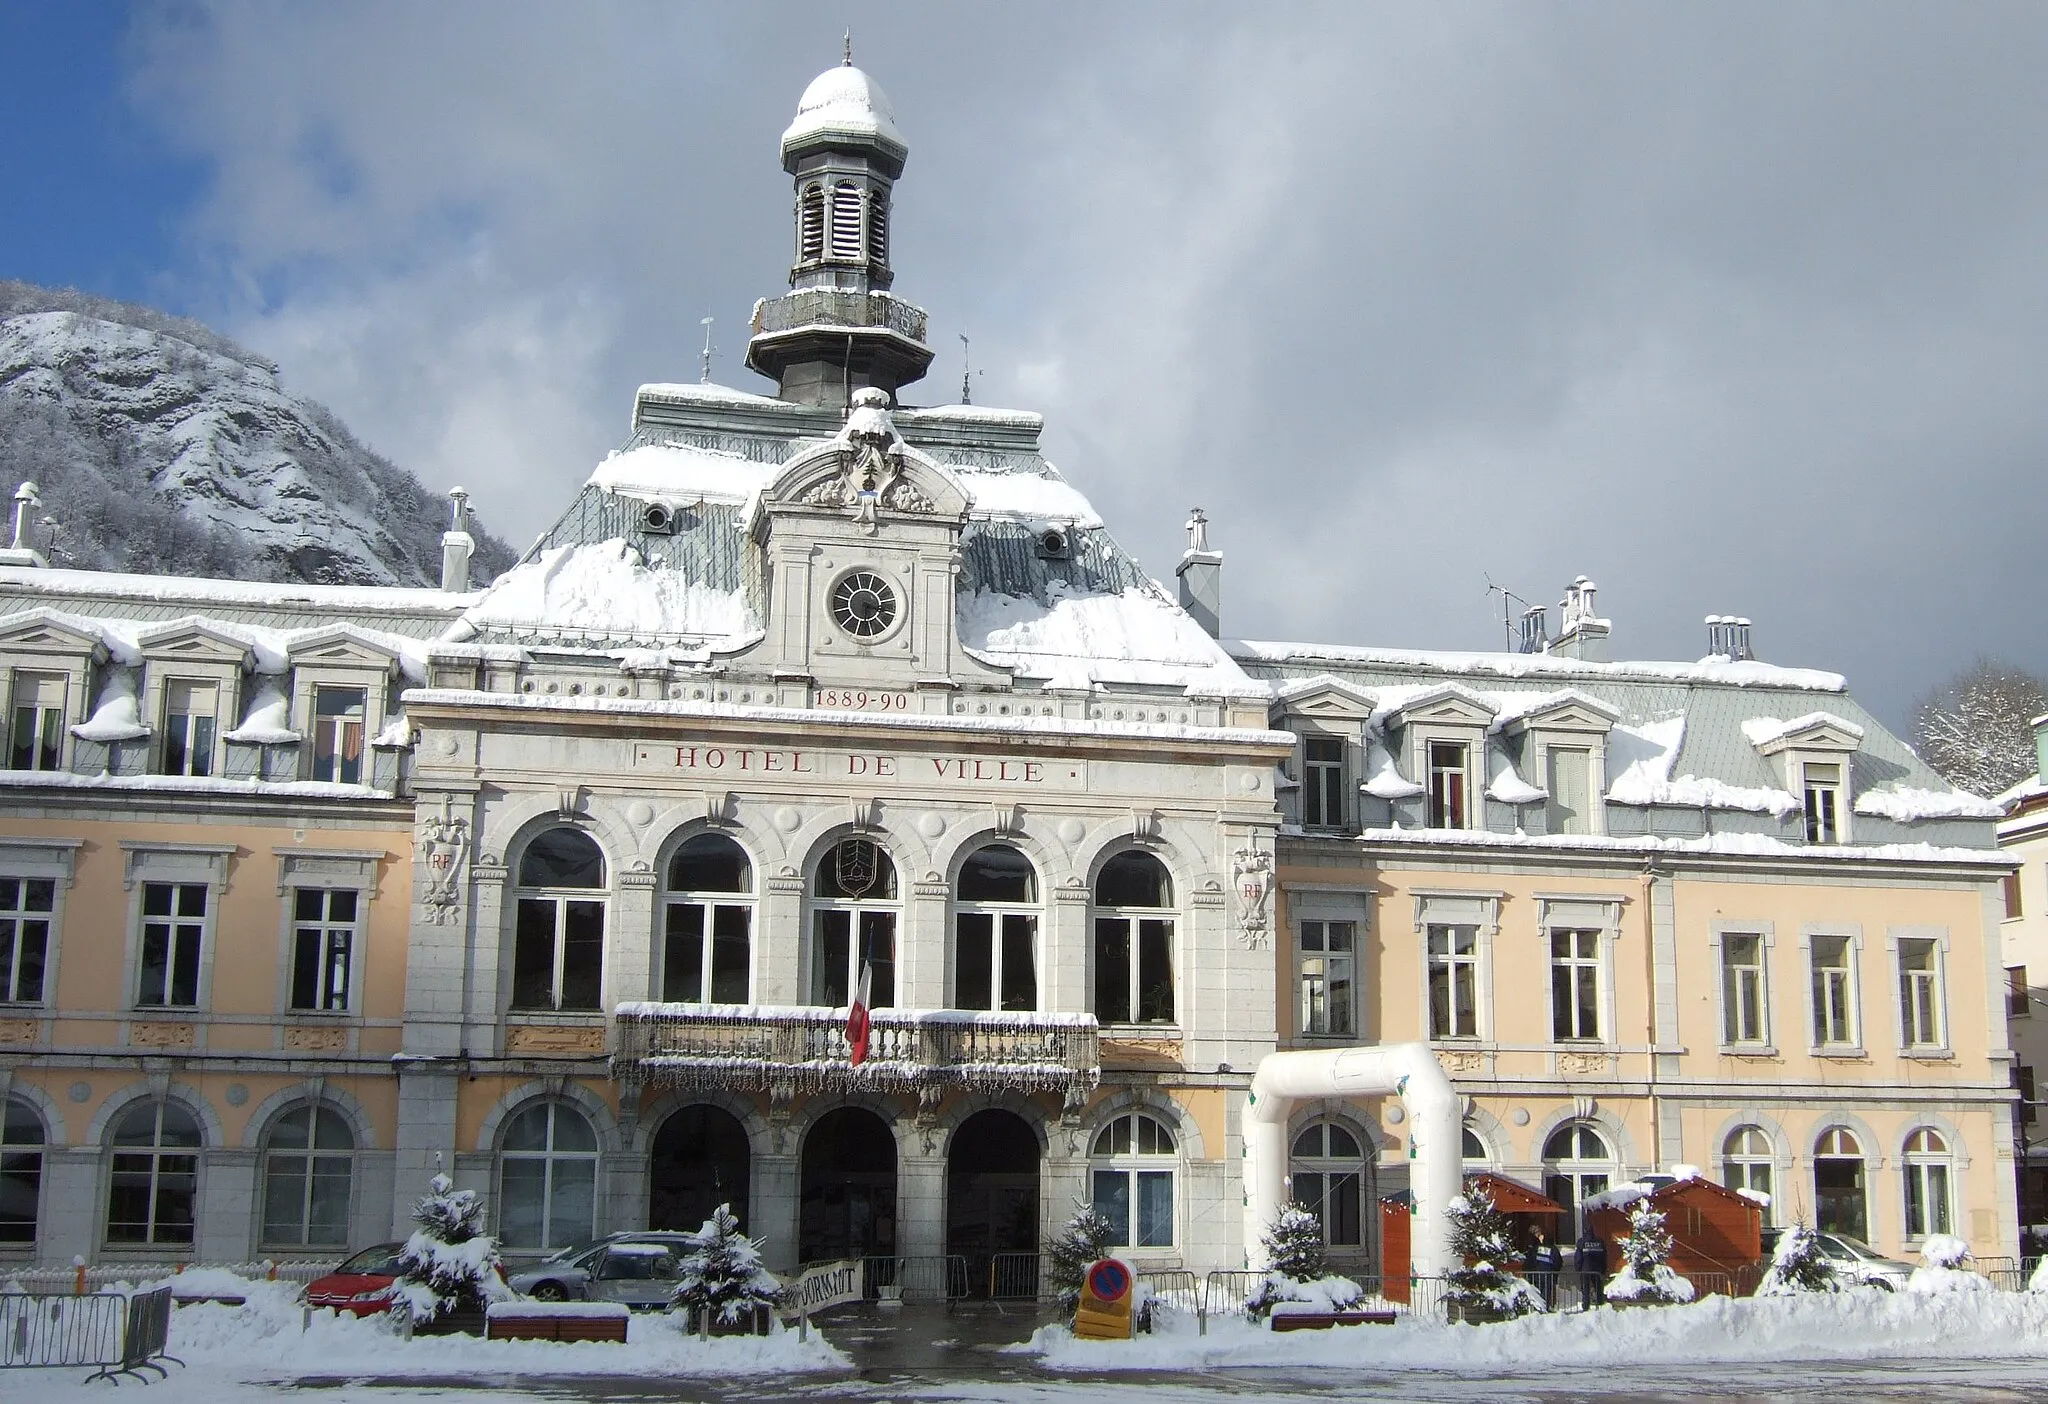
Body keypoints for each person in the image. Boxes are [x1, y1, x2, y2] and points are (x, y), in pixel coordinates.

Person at [1529, 1226, 1562, 1309]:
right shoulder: (1553, 1249)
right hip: (1549, 1275)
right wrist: (1555, 1273)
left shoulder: (1538, 1248)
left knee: (1538, 1294)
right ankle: (1544, 1309)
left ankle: (1538, 1310)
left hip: (1537, 1275)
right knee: (1546, 1295)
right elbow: (1558, 1262)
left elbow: (1532, 1260)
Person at [1575, 1224, 1607, 1308]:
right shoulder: (1599, 1242)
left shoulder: (1582, 1242)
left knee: (1585, 1290)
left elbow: (1578, 1258)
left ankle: (1585, 1306)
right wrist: (1603, 1269)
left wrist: (1578, 1268)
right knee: (1599, 1289)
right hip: (1598, 1270)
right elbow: (1604, 1256)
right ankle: (1600, 1305)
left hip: (1585, 1270)